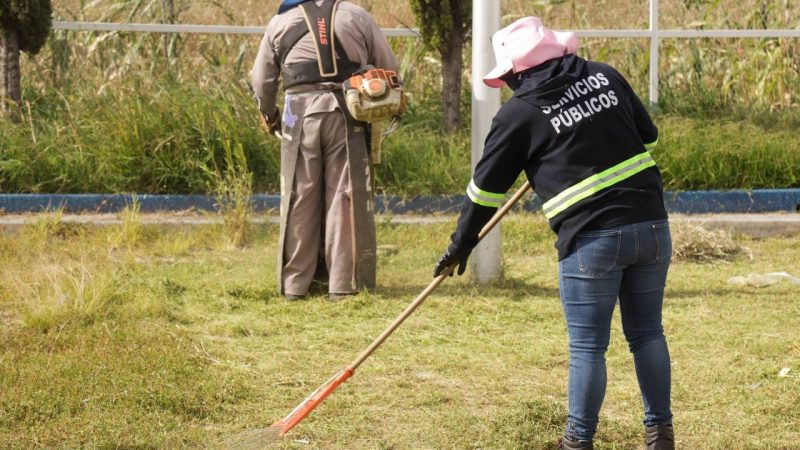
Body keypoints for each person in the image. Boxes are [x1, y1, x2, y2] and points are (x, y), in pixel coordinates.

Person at [432, 17, 674, 450]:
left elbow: (484, 192)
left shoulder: (519, 114)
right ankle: (660, 435)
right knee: (647, 335)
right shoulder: (605, 74)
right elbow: (648, 138)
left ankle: (577, 443)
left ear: (518, 71)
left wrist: (460, 244)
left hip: (592, 239)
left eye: (508, 77)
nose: (508, 85)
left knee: (587, 348)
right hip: (652, 226)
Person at [251, 0, 400, 301]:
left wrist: (269, 114)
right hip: (348, 112)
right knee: (345, 197)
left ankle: (295, 286)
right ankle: (342, 284)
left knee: (299, 194)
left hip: (297, 114)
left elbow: (262, 79)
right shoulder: (356, 15)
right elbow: (389, 69)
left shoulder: (280, 22)